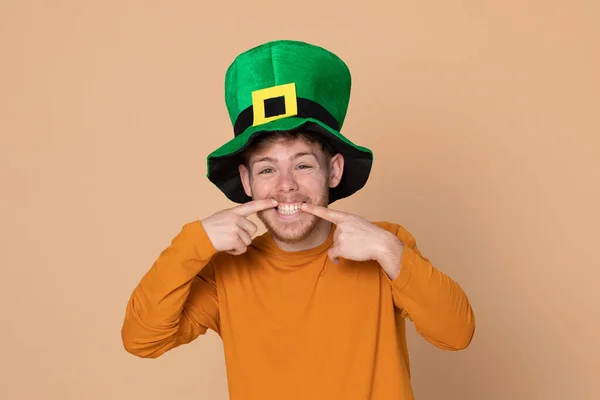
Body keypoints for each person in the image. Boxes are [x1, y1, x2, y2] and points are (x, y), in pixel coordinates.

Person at [121, 40, 475, 400]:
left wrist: (391, 252)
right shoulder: (224, 272)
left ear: (333, 171)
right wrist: (192, 243)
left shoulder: (385, 247)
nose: (286, 186)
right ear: (247, 181)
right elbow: (141, 340)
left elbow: (456, 333)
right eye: (267, 169)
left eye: (303, 165)